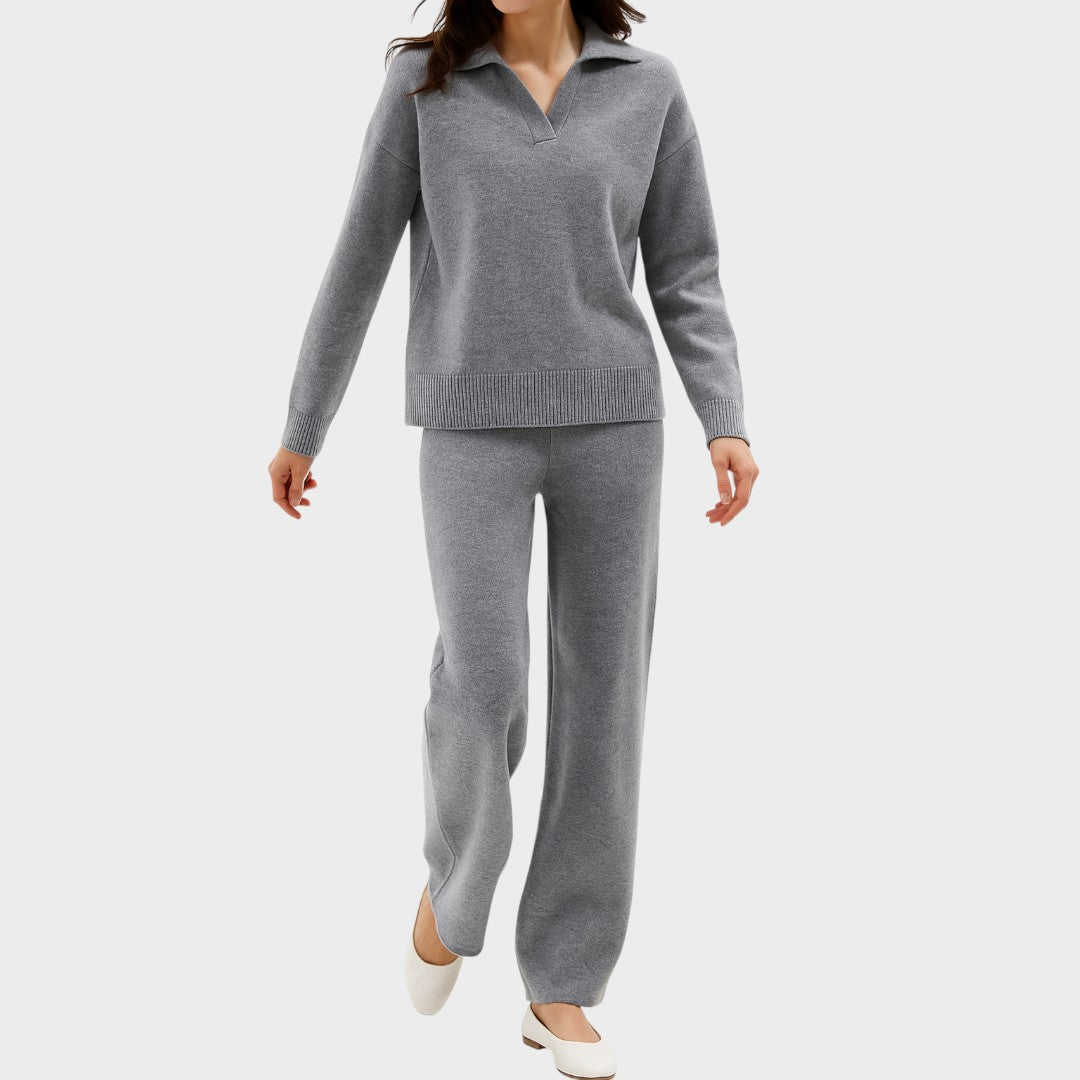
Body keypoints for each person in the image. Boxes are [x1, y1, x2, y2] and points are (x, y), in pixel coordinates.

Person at [267, 2, 758, 1075]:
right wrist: (305, 423)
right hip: (469, 431)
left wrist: (723, 414)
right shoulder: (423, 88)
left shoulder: (648, 88)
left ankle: (562, 986)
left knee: (605, 703)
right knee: (483, 680)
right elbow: (359, 257)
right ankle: (459, 880)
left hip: (617, 429)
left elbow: (686, 269)